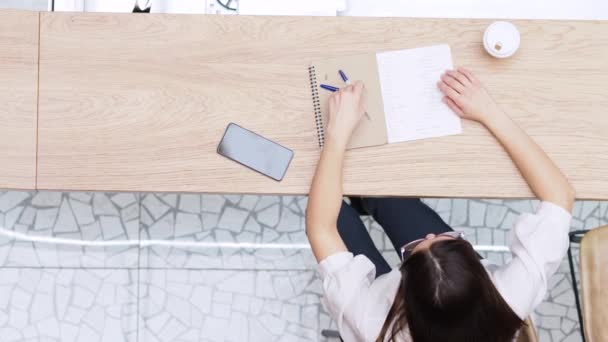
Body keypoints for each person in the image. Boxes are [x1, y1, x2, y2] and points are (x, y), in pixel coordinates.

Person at [305, 68, 575, 342]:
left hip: (377, 312)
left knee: (330, 207)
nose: (428, 235)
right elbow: (559, 196)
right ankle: (369, 199)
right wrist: (488, 112)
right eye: (448, 239)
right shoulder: (512, 293)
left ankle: (359, 198)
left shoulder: (372, 323)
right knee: (388, 195)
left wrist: (337, 133)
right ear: (483, 279)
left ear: (402, 292)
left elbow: (321, 230)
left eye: (411, 251)